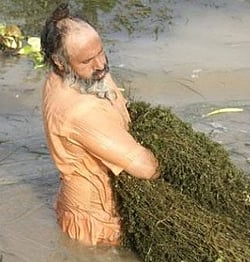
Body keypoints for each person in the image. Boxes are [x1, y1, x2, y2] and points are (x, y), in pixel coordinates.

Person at [40, 4, 160, 246]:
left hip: (79, 206)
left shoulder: (73, 76)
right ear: (59, 62)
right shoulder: (80, 112)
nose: (101, 65)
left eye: (100, 52)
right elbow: (146, 168)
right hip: (95, 225)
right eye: (87, 60)